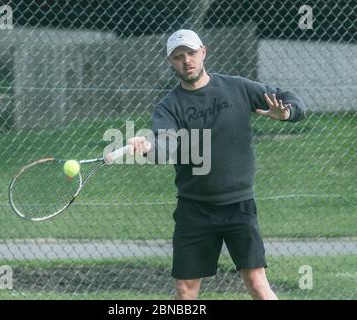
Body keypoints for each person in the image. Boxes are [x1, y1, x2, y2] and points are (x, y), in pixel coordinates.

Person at [128, 29, 306, 300]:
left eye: (191, 53)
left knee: (257, 283)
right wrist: (148, 147)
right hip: (194, 209)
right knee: (185, 290)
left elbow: (293, 100)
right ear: (170, 62)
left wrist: (286, 113)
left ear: (203, 52)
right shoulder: (168, 107)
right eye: (178, 56)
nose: (186, 60)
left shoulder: (237, 87)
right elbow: (165, 146)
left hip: (239, 206)